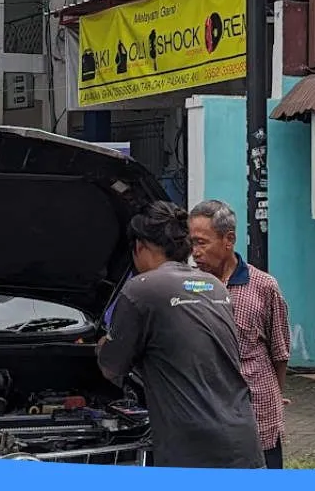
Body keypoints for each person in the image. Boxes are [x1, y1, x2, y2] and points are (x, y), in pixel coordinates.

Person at [97, 200, 265, 469]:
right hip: (242, 441)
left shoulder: (141, 289)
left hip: (193, 451)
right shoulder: (215, 287)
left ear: (139, 246)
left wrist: (103, 344)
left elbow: (110, 367)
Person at [189, 199, 292, 470]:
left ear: (229, 239)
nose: (195, 252)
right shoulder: (189, 286)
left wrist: (275, 398)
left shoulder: (264, 287)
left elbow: (280, 353)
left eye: (202, 242)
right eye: (192, 243)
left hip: (258, 414)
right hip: (208, 415)